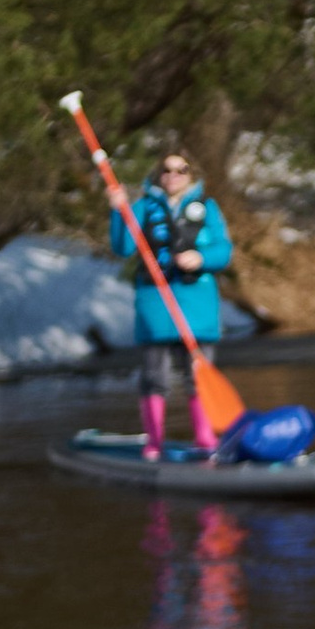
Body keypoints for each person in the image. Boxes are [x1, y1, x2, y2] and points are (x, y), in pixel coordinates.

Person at [115, 146, 233, 459]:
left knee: (197, 376)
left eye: (181, 170)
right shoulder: (142, 206)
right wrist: (119, 210)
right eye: (167, 170)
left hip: (197, 308)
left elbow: (224, 251)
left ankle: (206, 439)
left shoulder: (207, 207)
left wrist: (201, 257)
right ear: (158, 175)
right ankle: (154, 442)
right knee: (155, 376)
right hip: (156, 305)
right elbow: (124, 247)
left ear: (190, 175)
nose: (173, 176)